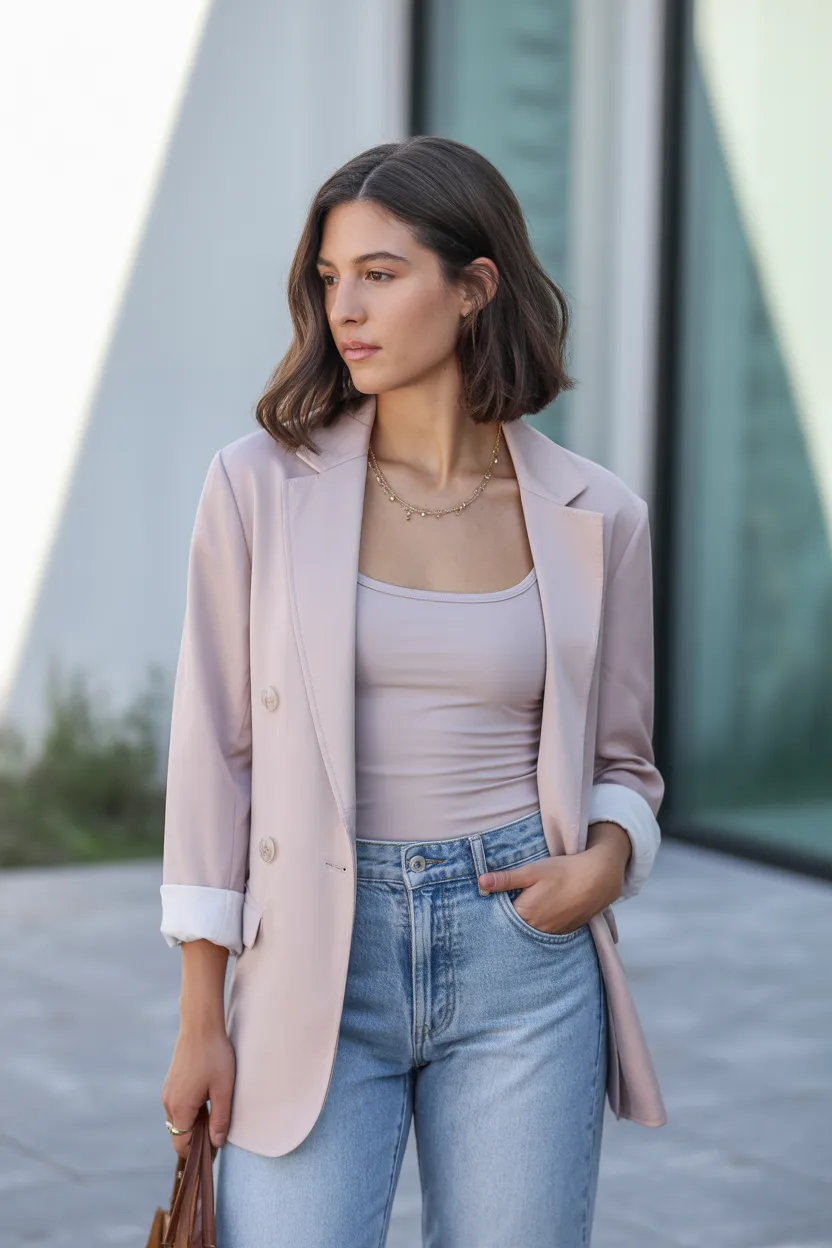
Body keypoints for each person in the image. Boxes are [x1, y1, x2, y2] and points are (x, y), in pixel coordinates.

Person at [159, 135, 666, 1247]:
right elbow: (214, 752)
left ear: (475, 287)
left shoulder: (597, 514)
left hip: (521, 959)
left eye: (380, 275)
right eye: (331, 280)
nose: (347, 308)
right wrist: (202, 1015)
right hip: (312, 964)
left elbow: (625, 761)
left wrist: (605, 863)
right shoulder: (256, 486)